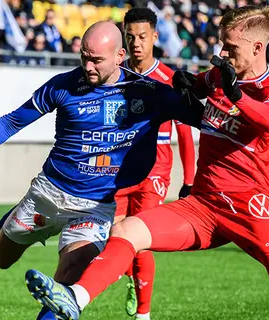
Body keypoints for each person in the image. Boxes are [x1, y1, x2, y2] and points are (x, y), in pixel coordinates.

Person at [24, 6, 269, 320]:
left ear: (257, 48)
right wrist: (185, 83)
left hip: (252, 209)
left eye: (230, 46)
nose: (223, 53)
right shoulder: (219, 76)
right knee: (127, 230)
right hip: (204, 205)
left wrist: (237, 97)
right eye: (222, 45)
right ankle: (77, 299)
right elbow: (191, 85)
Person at [0, 21, 204, 320]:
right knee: (0, 260)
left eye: (96, 60)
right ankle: (11, 219)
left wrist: (202, 88)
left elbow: (209, 122)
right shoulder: (63, 85)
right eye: (84, 57)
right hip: (48, 194)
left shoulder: (150, 94)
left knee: (68, 282)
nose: (88, 66)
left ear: (119, 56)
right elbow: (12, 122)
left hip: (95, 207)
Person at [114, 8, 195, 320]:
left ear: (155, 37)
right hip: (119, 167)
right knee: (114, 235)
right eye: (130, 36)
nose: (136, 43)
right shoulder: (116, 74)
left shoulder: (170, 79)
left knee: (142, 240)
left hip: (155, 170)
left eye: (142, 37)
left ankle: (143, 315)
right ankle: (130, 276)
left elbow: (186, 134)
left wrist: (189, 181)